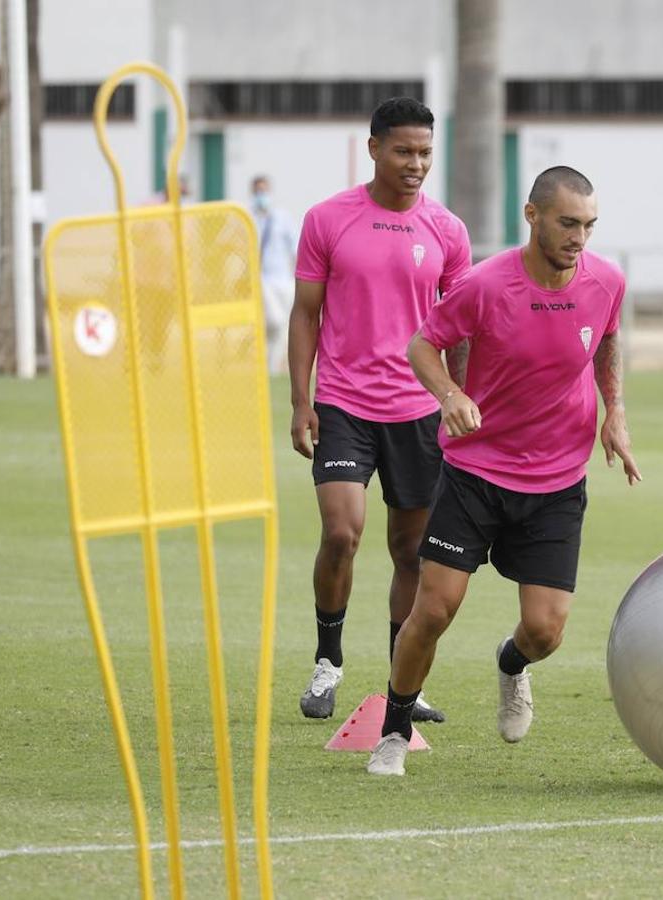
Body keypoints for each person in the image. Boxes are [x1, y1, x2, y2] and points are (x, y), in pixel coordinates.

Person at [367, 166, 640, 777]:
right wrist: (449, 396)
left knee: (545, 632)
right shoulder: (488, 285)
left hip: (558, 480)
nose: (579, 238)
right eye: (568, 223)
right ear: (532, 215)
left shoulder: (607, 281)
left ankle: (511, 665)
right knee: (434, 609)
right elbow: (422, 345)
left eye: (589, 225)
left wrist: (614, 412)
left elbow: (609, 339)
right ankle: (394, 727)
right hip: (476, 471)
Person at [289, 97, 471, 723]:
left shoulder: (447, 230)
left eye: (424, 152)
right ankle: (327, 661)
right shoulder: (327, 219)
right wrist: (299, 400)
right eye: (403, 151)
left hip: (418, 412)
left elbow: (462, 327)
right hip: (343, 403)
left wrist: (459, 400)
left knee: (410, 551)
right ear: (373, 148)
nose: (416, 163)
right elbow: (305, 313)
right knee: (342, 532)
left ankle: (403, 682)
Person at [248, 174, 296, 374]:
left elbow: (294, 248)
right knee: (275, 321)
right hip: (261, 279)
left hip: (283, 279)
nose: (262, 195)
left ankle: (270, 370)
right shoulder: (248, 218)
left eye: (264, 190)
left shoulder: (281, 218)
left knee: (281, 328)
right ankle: (265, 365)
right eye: (258, 191)